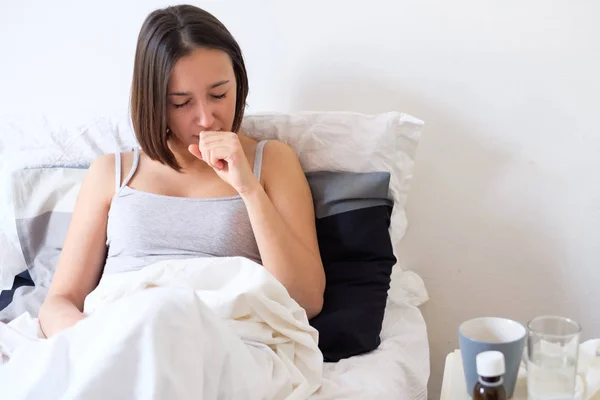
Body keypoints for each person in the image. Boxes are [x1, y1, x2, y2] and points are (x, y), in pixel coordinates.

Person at [38, 4, 325, 338]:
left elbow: (304, 301)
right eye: (181, 103)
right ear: (154, 101)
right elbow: (59, 301)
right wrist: (91, 340)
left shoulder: (272, 162)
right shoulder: (112, 173)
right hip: (117, 336)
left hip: (218, 338)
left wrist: (248, 188)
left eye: (219, 94)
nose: (206, 118)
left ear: (239, 83)